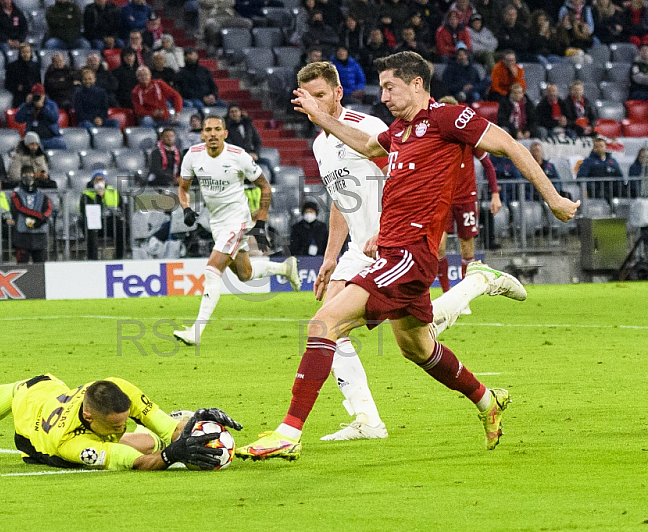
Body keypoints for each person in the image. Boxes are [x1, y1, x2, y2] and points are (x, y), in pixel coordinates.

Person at [237, 51, 579, 461]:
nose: (383, 96)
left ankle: (288, 432)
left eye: (390, 87)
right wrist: (320, 117)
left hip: (407, 252)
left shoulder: (449, 119)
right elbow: (365, 145)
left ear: (416, 83)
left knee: (324, 323)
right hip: (396, 253)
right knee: (417, 348)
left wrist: (554, 198)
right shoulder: (399, 130)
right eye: (381, 87)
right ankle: (488, 400)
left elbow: (509, 145)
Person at [0, 374, 241, 471]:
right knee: (15, 391)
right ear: (91, 416)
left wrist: (191, 428)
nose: (122, 427)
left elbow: (159, 421)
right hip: (34, 428)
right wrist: (171, 455)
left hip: (56, 391)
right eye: (117, 425)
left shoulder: (116, 388)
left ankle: (169, 433)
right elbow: (137, 464)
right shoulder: (73, 444)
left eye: (124, 422)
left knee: (157, 435)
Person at [172, 115, 302, 346]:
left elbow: (264, 186)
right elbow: (183, 188)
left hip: (237, 221)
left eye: (217, 129)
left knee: (213, 269)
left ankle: (196, 331)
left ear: (225, 133)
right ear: (202, 134)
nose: (212, 134)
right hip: (217, 223)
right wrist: (186, 209)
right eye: (208, 129)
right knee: (244, 274)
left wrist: (260, 221)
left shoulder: (238, 156)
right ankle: (284, 267)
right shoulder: (192, 155)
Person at [435, 95, 501, 301]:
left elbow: (488, 165)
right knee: (439, 247)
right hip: (443, 199)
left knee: (467, 248)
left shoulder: (469, 138)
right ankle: (447, 295)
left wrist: (495, 194)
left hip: (466, 198)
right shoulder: (437, 139)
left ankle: (462, 298)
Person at [9, 165, 52, 263]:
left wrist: (42, 219)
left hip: (39, 234)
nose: (28, 176)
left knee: (40, 266)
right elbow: (20, 207)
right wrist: (39, 216)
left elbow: (48, 208)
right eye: (25, 174)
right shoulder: (16, 193)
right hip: (22, 235)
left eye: (30, 174)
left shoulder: (42, 193)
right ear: (21, 176)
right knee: (22, 266)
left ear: (34, 175)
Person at [80, 170, 126, 260]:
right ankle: (92, 258)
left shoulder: (113, 192)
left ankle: (120, 257)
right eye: (96, 180)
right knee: (90, 230)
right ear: (92, 182)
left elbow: (122, 207)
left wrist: (122, 216)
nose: (99, 182)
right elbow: (86, 211)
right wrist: (99, 196)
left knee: (122, 227)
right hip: (93, 222)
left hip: (109, 221)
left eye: (101, 179)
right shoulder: (87, 194)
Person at [225, 103, 274, 179]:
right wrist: (246, 155)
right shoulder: (227, 129)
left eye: (236, 111)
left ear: (240, 112)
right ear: (229, 114)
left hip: (252, 156)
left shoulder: (248, 125)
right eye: (232, 112)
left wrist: (256, 154)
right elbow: (230, 146)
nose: (234, 114)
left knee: (267, 163)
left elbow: (257, 141)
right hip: (238, 159)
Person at [14, 84, 67, 150]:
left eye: (39, 95)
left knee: (61, 145)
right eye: (35, 95)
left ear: (44, 95)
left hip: (51, 138)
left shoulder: (51, 104)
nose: (37, 98)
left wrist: (43, 107)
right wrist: (26, 105)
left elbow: (54, 118)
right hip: (34, 140)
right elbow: (18, 119)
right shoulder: (29, 106)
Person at [576, 136, 624, 202]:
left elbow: (619, 176)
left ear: (605, 147)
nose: (599, 148)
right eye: (596, 146)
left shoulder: (612, 161)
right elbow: (581, 177)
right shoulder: (588, 161)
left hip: (613, 188)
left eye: (601, 146)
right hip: (598, 190)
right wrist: (593, 187)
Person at [5, 43, 41, 108]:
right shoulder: (12, 66)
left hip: (33, 93)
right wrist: (17, 87)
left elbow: (38, 83)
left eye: (27, 52)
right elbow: (8, 84)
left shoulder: (36, 66)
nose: (25, 54)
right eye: (23, 52)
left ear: (31, 53)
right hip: (19, 94)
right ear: (19, 53)